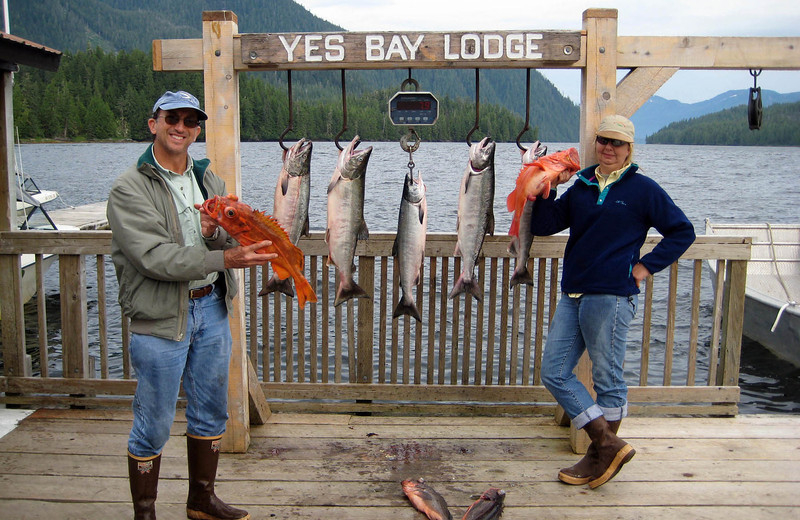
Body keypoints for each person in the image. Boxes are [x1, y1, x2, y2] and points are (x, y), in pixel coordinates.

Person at [108, 90, 275, 520]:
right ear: (154, 123)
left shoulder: (208, 180)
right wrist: (228, 256)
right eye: (172, 118)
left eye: (191, 120)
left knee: (211, 410)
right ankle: (145, 512)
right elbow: (155, 258)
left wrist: (212, 233)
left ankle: (201, 501)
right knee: (154, 422)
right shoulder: (129, 187)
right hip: (160, 317)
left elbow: (220, 238)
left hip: (212, 308)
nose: (181, 127)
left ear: (198, 129)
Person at [530, 114, 695, 489]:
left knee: (607, 377)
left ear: (629, 149)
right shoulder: (583, 184)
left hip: (612, 295)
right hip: (573, 291)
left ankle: (598, 454)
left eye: (616, 143)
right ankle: (607, 444)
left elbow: (682, 231)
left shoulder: (643, 189)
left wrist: (645, 267)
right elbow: (543, 225)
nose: (608, 148)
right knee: (553, 372)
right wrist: (548, 188)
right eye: (603, 140)